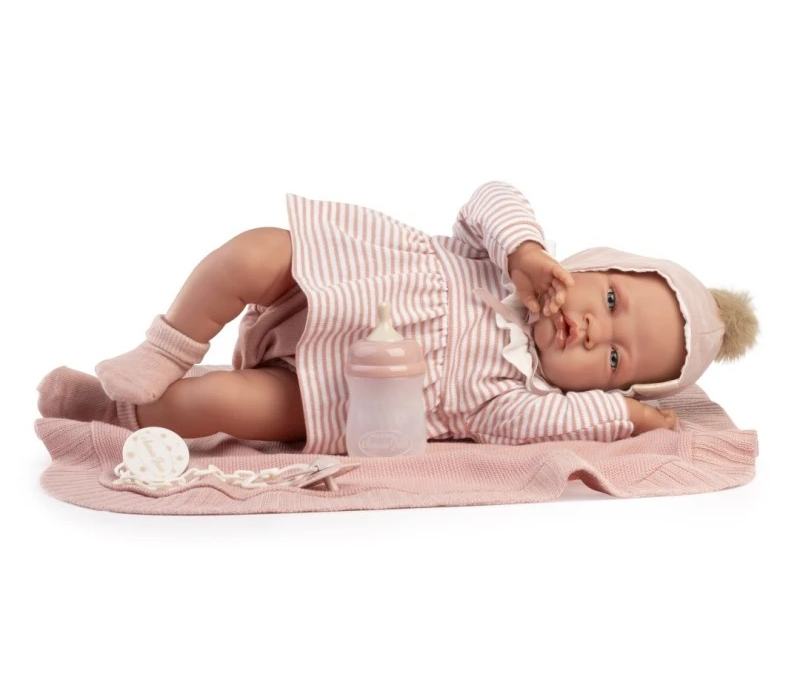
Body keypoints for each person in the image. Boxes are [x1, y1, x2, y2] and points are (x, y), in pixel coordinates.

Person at [37, 181, 759, 454]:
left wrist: (623, 419)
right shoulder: (503, 261)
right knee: (254, 251)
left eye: (615, 359)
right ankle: (168, 346)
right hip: (332, 282)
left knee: (222, 404)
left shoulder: (513, 400)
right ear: (595, 266)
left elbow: (537, 428)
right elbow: (491, 196)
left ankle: (110, 407)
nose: (597, 329)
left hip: (333, 395)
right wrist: (525, 249)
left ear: (599, 390)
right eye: (611, 301)